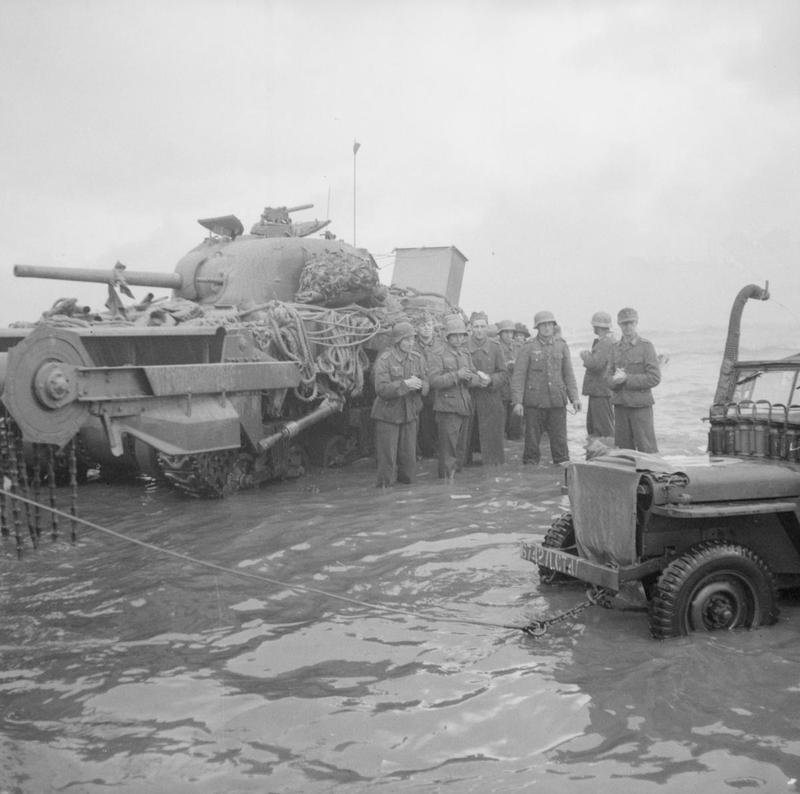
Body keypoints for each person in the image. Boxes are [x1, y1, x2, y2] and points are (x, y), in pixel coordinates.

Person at [511, 310, 581, 465]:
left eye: (550, 324)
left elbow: (568, 375)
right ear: (537, 327)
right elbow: (519, 376)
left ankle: (562, 478)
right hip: (534, 404)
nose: (547, 328)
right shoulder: (528, 347)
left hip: (557, 403)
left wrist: (575, 398)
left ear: (554, 326)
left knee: (561, 447)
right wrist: (517, 401)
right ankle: (531, 479)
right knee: (531, 448)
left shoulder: (561, 346)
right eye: (543, 325)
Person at [371, 321, 428, 487]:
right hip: (387, 415)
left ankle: (406, 499)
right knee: (387, 461)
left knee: (409, 460)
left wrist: (420, 386)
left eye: (412, 339)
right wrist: (405, 385)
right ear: (397, 341)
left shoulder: (417, 358)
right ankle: (384, 495)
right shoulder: (385, 360)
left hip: (410, 413)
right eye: (407, 340)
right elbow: (380, 389)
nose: (411, 343)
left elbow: (426, 382)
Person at [427, 314, 482, 481]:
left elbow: (473, 376)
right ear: (448, 337)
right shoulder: (438, 354)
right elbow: (434, 380)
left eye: (461, 335)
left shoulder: (465, 354)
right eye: (455, 335)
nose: (458, 339)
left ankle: (455, 485)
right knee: (448, 450)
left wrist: (473, 379)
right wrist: (456, 375)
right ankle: (446, 482)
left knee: (460, 450)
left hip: (464, 406)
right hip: (447, 408)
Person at [606, 307, 661, 453]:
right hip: (621, 406)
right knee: (623, 451)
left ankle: (650, 475)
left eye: (631, 323)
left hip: (640, 406)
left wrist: (627, 379)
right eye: (624, 324)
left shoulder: (646, 347)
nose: (628, 326)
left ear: (636, 323)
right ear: (619, 325)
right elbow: (607, 379)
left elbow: (654, 378)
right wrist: (614, 382)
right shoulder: (614, 348)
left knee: (647, 448)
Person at [465, 312, 507, 465]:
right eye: (476, 326)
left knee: (493, 447)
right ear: (470, 328)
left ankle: (493, 473)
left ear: (487, 327)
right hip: (469, 398)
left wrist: (491, 380)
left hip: (490, 398)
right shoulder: (463, 346)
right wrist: (475, 381)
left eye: (482, 326)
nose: (479, 330)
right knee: (465, 443)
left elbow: (503, 373)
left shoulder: (495, 347)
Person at [579, 311, 616, 439]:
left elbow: (596, 364)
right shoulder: (606, 341)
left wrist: (585, 356)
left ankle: (606, 455)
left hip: (601, 391)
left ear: (597, 326)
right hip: (600, 391)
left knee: (603, 429)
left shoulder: (605, 342)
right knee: (596, 427)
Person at [413, 314, 441, 458]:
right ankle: (419, 450)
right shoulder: (411, 345)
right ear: (417, 329)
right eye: (423, 325)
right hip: (418, 389)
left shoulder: (441, 344)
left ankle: (433, 449)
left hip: (436, 389)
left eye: (429, 325)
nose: (426, 328)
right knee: (419, 420)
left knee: (434, 419)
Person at [496, 319, 522, 440]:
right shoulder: (495, 346)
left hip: (514, 388)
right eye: (505, 332)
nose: (508, 335)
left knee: (515, 422)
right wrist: (506, 365)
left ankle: (514, 443)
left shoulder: (518, 346)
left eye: (510, 332)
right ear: (500, 334)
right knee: (500, 422)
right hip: (500, 389)